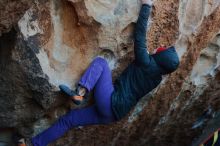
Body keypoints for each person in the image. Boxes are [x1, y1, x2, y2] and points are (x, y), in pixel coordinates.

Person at [18, 0, 179, 145]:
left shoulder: (146, 63)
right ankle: (33, 144)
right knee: (69, 120)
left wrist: (146, 5)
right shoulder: (156, 78)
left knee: (101, 63)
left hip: (110, 103)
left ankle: (80, 93)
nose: (159, 48)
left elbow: (140, 36)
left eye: (161, 51)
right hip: (113, 115)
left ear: (161, 57)